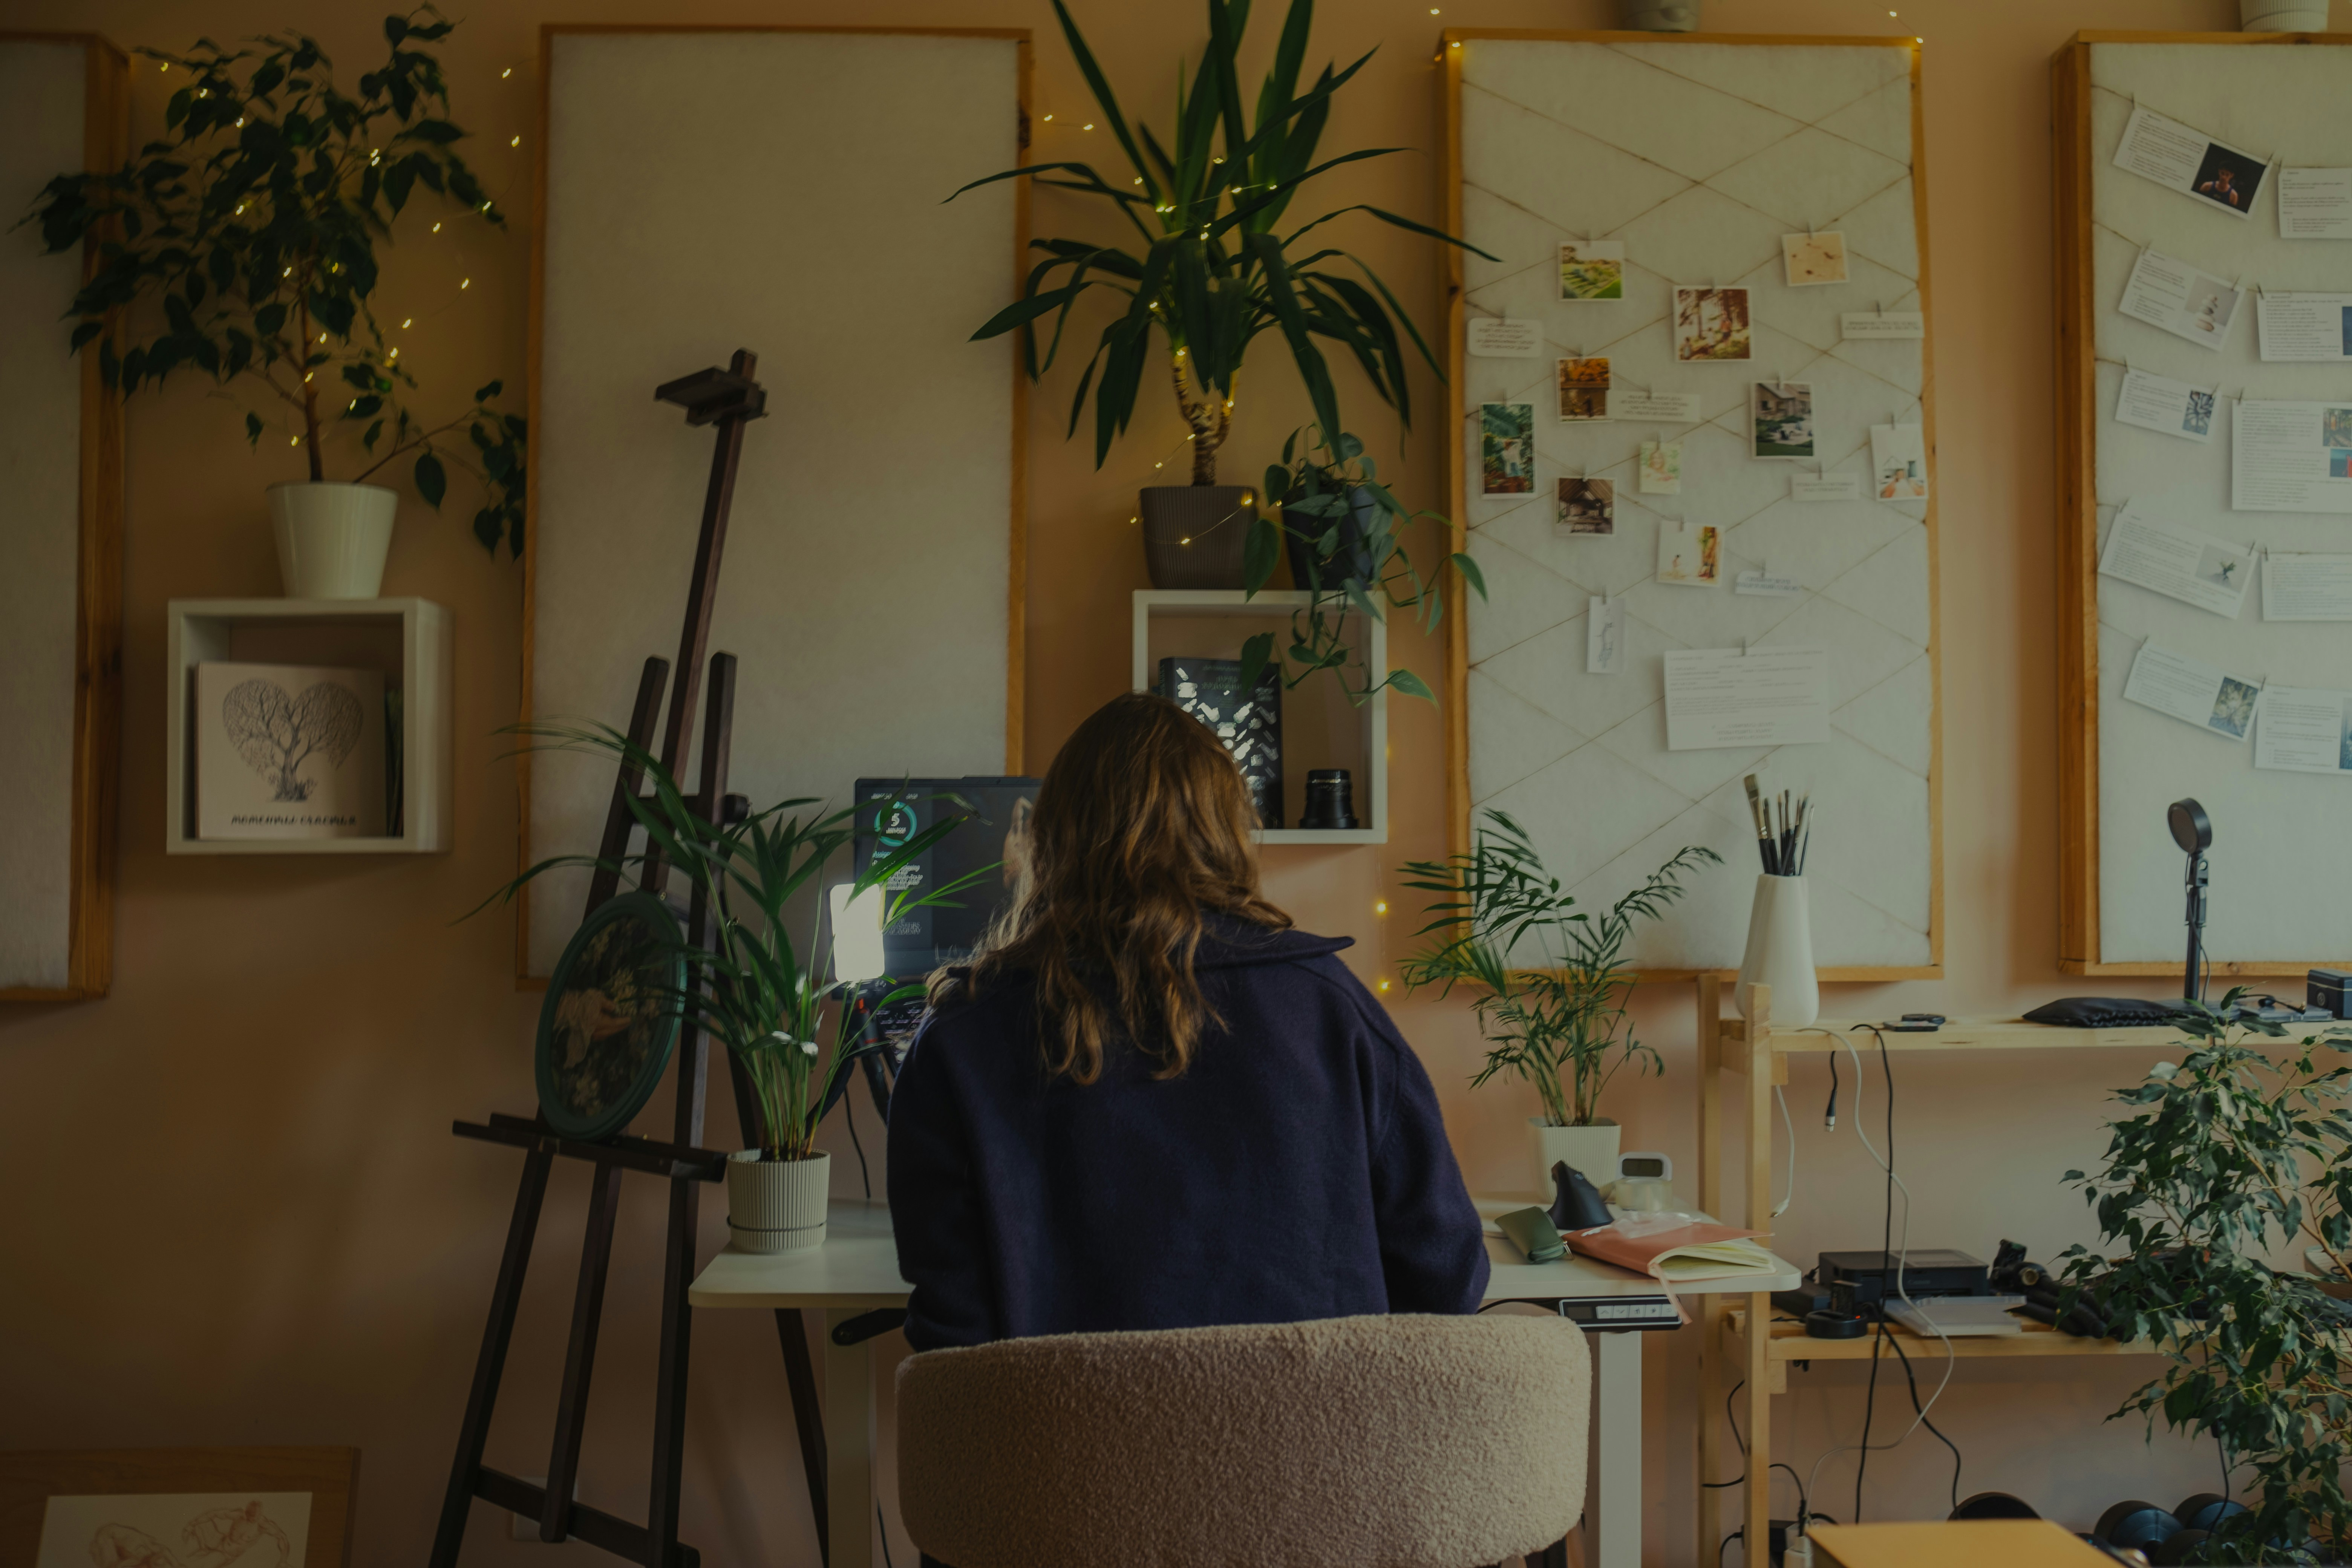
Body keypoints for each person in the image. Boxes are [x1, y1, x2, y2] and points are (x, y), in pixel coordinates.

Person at [887, 692, 1488, 1351]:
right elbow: (1448, 1279)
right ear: (1228, 830)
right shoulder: (1329, 1008)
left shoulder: (961, 1037)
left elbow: (952, 1335)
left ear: (1052, 835)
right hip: (1311, 1450)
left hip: (1061, 1450)